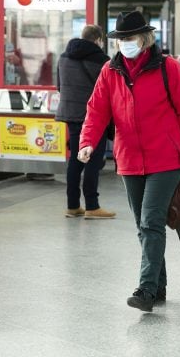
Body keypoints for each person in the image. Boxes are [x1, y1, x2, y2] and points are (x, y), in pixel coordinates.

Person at [77, 11, 180, 312]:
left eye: (128, 39)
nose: (123, 45)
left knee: (151, 220)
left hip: (166, 157)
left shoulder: (169, 68)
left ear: (144, 38)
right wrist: (87, 143)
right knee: (142, 226)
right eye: (119, 40)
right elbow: (97, 110)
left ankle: (145, 290)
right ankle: (159, 286)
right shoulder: (111, 70)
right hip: (129, 157)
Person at [55, 25, 116, 220]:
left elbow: (59, 86)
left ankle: (72, 206)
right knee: (94, 160)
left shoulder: (64, 57)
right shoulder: (101, 60)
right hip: (93, 117)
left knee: (76, 159)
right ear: (98, 39)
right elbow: (110, 91)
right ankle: (92, 206)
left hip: (71, 114)